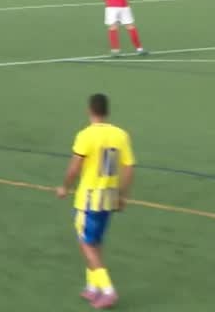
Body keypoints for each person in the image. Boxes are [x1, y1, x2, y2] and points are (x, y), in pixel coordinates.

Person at [56, 94, 136, 310]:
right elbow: (129, 168)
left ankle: (108, 290)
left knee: (86, 244)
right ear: (107, 111)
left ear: (89, 110)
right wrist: (123, 195)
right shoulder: (120, 135)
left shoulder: (85, 135)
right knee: (96, 242)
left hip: (88, 200)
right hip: (109, 198)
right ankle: (93, 287)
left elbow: (75, 167)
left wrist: (65, 187)